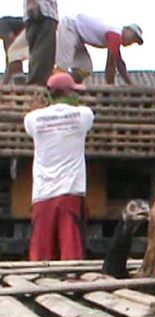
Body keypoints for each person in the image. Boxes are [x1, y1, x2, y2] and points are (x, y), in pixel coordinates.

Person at [24, 72, 94, 261]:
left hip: (42, 196)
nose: (78, 96)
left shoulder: (33, 118)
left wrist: (37, 110)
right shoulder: (84, 115)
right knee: (72, 256)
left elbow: (31, 124)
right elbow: (79, 113)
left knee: (40, 258)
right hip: (70, 194)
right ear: (69, 93)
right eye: (75, 92)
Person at [55, 14, 143, 85]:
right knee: (62, 65)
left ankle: (67, 85)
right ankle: (52, 89)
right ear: (126, 29)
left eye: (134, 42)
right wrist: (110, 88)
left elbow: (119, 63)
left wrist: (130, 84)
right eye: (133, 37)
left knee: (85, 67)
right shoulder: (115, 35)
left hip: (78, 37)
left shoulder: (116, 37)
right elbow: (111, 65)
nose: (131, 42)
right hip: (70, 28)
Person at [23, 0, 58, 85]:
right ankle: (37, 86)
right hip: (43, 12)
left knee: (41, 55)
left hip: (44, 12)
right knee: (43, 54)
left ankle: (38, 84)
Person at [0, 16, 27, 84]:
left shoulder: (2, 26)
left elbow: (11, 46)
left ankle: (19, 81)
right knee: (13, 56)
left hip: (32, 28)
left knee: (14, 56)